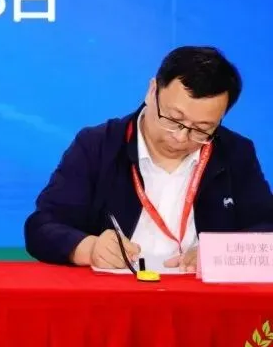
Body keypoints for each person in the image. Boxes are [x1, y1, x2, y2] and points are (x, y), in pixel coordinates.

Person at [24, 46, 273, 271]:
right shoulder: (99, 145)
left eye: (201, 129)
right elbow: (42, 226)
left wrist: (220, 254)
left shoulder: (235, 152)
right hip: (114, 295)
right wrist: (89, 248)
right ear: (152, 91)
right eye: (174, 119)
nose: (181, 137)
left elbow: (266, 228)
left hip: (200, 295)